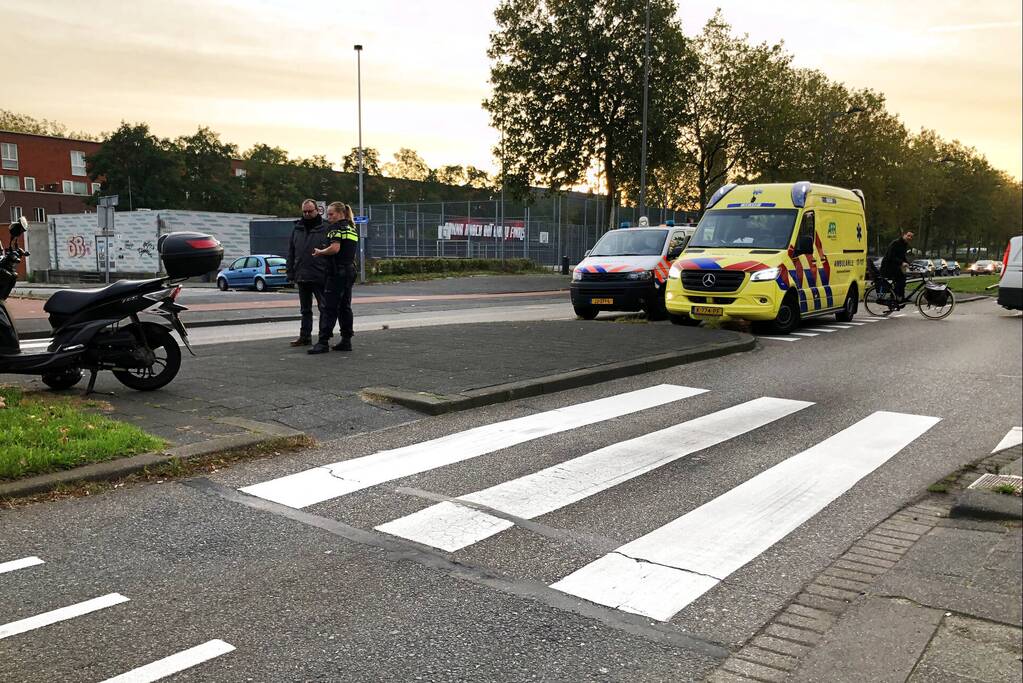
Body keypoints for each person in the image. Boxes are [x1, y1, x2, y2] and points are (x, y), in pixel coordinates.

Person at [308, 202, 359, 354]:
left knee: (328, 307)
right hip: (350, 271)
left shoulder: (335, 228)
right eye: (328, 214)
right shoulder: (351, 228)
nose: (329, 217)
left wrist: (320, 252)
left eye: (331, 214)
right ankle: (346, 340)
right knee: (345, 307)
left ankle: (323, 342)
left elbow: (335, 249)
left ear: (341, 214)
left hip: (337, 272)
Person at [286, 199, 330, 346]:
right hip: (302, 274)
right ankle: (305, 336)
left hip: (320, 274)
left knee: (323, 307)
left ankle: (323, 338)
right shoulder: (297, 228)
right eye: (304, 211)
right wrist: (290, 272)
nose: (307, 214)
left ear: (317, 210)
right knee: (305, 309)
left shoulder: (326, 228)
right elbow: (291, 252)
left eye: (310, 211)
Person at [880, 230, 914, 304]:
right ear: (904, 235)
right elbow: (890, 256)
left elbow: (902, 256)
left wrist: (909, 264)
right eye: (908, 235)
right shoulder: (896, 243)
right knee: (901, 278)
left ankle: (898, 297)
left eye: (911, 237)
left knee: (902, 279)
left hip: (895, 266)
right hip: (888, 267)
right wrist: (902, 263)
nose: (910, 237)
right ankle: (897, 297)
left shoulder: (904, 244)